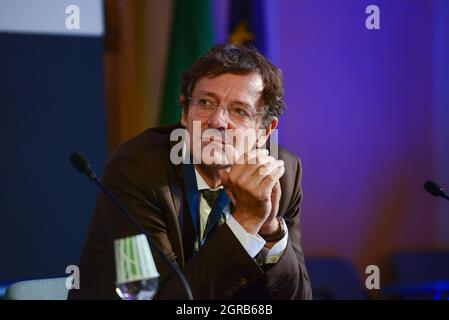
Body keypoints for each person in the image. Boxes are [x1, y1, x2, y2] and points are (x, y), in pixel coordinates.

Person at [68, 44, 312, 300]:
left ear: (265, 131)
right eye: (206, 103)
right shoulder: (137, 171)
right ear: (185, 112)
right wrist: (247, 222)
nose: (218, 122)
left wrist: (270, 229)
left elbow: (300, 297)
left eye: (239, 110)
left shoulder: (281, 174)